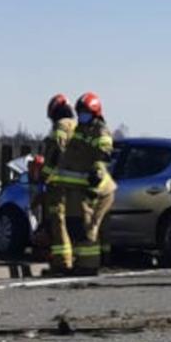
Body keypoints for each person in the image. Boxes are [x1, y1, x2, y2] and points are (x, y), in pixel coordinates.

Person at [55, 92, 117, 276]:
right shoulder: (81, 130)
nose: (82, 115)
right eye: (80, 112)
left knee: (89, 228)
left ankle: (88, 267)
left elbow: (103, 156)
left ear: (95, 112)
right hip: (81, 189)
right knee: (78, 226)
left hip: (97, 189)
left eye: (85, 112)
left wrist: (93, 184)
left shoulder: (100, 130)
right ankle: (85, 263)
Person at [33, 94, 76, 275]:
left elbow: (54, 155)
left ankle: (62, 262)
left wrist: (44, 176)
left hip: (60, 183)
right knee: (75, 222)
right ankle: (76, 259)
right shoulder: (78, 126)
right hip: (78, 183)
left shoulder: (61, 127)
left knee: (58, 222)